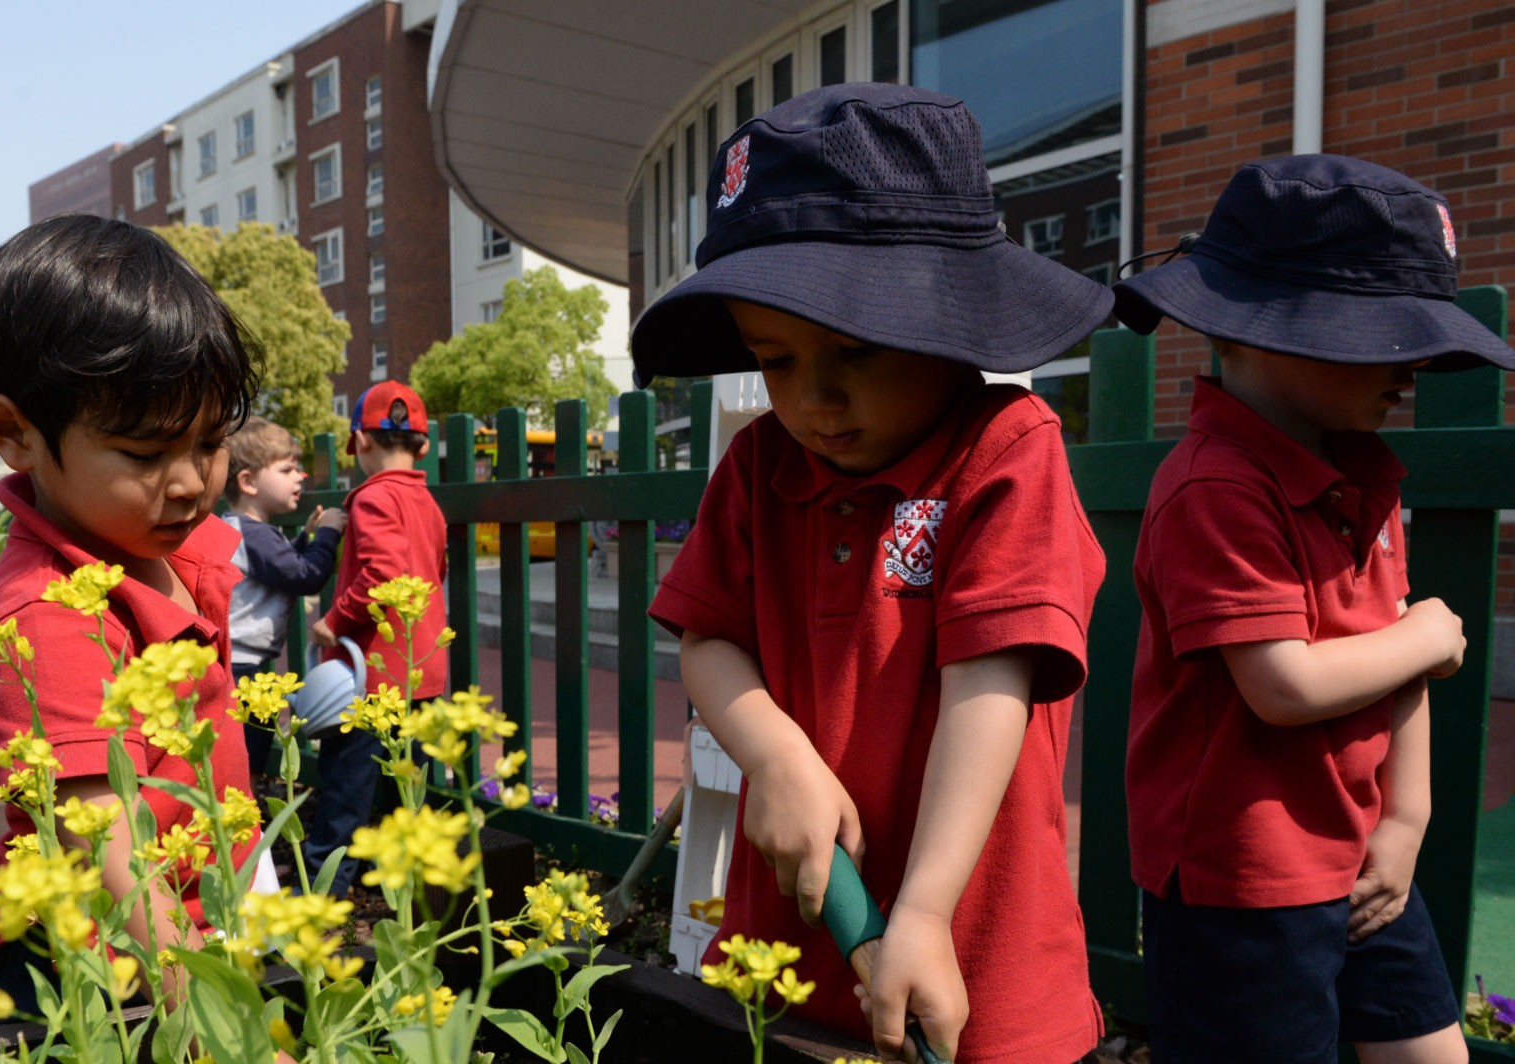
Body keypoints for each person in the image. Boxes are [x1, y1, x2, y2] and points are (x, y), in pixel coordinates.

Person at [633, 84, 1113, 1064]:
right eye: (773, 358)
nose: (814, 397)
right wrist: (773, 752)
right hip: (792, 950)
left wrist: (926, 907)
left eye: (854, 349)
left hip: (976, 954)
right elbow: (709, 636)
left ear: (953, 319)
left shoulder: (1004, 450)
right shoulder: (759, 466)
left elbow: (993, 679)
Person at [1113, 155, 1515, 1064]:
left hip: (1363, 854)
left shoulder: (1362, 473)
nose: (1410, 365)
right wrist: (1422, 633)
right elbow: (1282, 684)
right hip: (1240, 886)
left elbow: (1398, 663)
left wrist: (1406, 820)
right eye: (1377, 337)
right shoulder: (1214, 486)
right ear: (1254, 331)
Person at [0, 213, 272, 1017]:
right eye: (142, 453)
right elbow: (116, 869)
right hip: (115, 988)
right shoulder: (50, 621)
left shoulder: (152, 553)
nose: (189, 483)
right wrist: (227, 1031)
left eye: (209, 442)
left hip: (195, 951)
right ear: (13, 433)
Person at [306, 380, 447, 899]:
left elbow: (382, 574)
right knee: (408, 792)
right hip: (421, 669)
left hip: (373, 678)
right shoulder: (428, 504)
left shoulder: (371, 499)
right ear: (424, 446)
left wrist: (335, 622)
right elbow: (435, 571)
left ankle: (321, 898)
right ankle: (408, 893)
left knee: (346, 790)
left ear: (361, 443)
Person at [222, 416, 347, 774]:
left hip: (237, 662)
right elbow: (304, 576)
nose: (300, 477)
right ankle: (247, 819)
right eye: (287, 469)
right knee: (249, 755)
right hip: (242, 668)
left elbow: (277, 570)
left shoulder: (247, 530)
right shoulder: (255, 535)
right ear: (248, 482)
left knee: (246, 751)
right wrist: (328, 535)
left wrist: (304, 539)